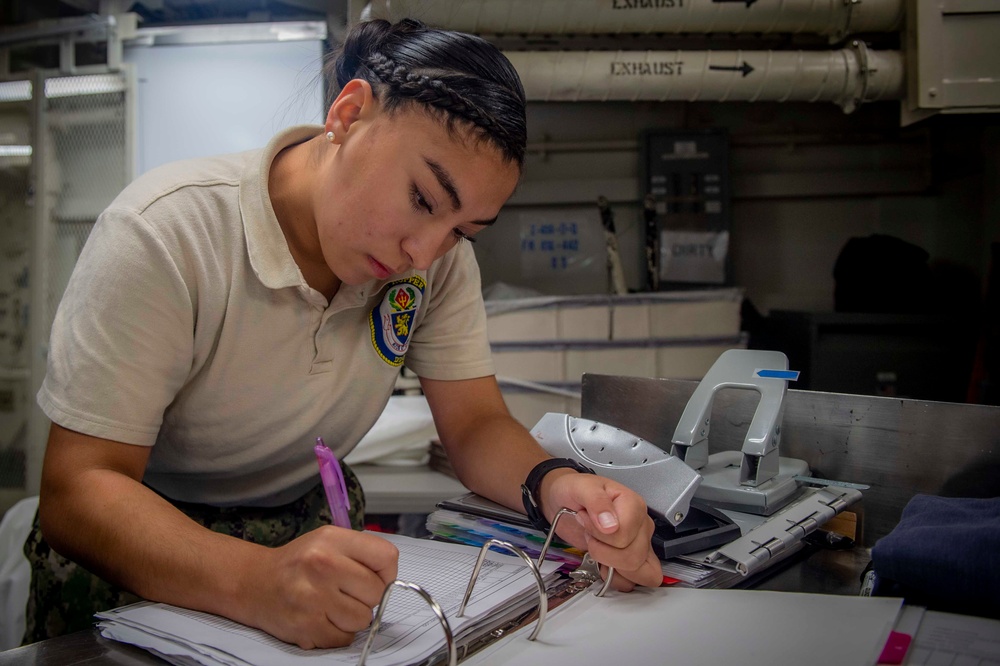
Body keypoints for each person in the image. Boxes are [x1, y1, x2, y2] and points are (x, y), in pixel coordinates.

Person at [23, 17, 661, 650]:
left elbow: (473, 426)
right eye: (421, 198)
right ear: (349, 113)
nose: (424, 253)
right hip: (147, 545)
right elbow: (80, 489)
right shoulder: (167, 233)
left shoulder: (434, 262)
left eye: (463, 232)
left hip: (308, 538)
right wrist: (256, 581)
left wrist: (556, 486)